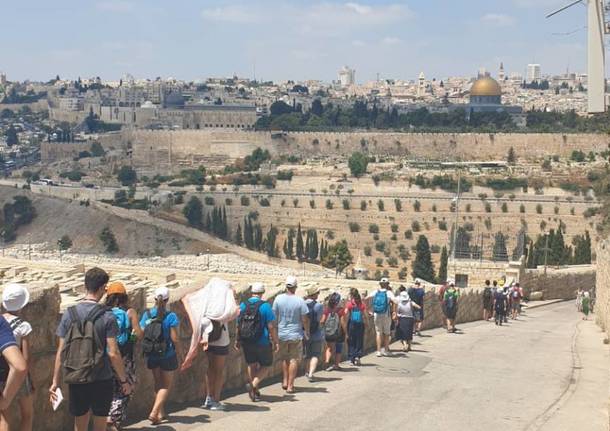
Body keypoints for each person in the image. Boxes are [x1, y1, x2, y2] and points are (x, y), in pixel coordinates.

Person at [50, 267, 131, 431]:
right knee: (100, 423)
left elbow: (61, 351)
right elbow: (113, 352)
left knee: (79, 423)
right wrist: (124, 380)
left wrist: (55, 381)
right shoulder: (107, 316)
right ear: (102, 288)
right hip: (101, 377)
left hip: (76, 375)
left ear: (86, 286)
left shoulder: (69, 314)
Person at [105, 282, 143, 431]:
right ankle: (113, 417)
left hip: (105, 355)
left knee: (110, 387)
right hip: (124, 356)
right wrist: (131, 339)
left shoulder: (104, 311)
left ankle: (110, 418)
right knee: (127, 386)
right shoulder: (129, 312)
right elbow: (138, 333)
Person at [140, 287, 180, 424]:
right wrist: (180, 352)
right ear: (167, 300)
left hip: (152, 354)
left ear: (155, 299)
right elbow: (175, 339)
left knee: (157, 383)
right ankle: (154, 412)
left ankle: (160, 414)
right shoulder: (171, 316)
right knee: (166, 385)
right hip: (167, 354)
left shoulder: (147, 315)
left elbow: (142, 332)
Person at [236, 282, 278, 402]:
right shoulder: (265, 306)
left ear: (251, 292)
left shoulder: (243, 305)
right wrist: (276, 341)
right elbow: (270, 326)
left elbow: (238, 325)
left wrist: (237, 340)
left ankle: (254, 392)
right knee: (266, 365)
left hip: (247, 340)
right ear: (262, 293)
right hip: (262, 341)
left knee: (251, 364)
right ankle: (253, 385)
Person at [1, 284, 32, 431]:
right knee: (27, 414)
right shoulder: (23, 325)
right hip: (18, 376)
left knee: (4, 417)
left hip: (2, 375)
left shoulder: (2, 320)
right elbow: (24, 358)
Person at [272, 276, 309, 394]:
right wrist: (306, 331)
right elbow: (304, 319)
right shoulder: (300, 301)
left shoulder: (278, 299)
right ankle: (290, 385)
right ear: (295, 287)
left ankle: (284, 380)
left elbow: (274, 316)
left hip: (282, 333)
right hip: (295, 334)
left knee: (284, 358)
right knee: (293, 359)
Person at [367, 278, 396, 357]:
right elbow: (395, 301)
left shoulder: (375, 292)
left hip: (376, 314)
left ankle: (378, 351)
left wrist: (368, 310)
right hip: (386, 315)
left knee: (378, 332)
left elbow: (366, 298)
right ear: (387, 285)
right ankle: (386, 350)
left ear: (380, 284)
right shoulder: (389, 293)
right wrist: (394, 312)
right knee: (386, 333)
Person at [321, 292, 347, 371]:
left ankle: (326, 362)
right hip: (338, 333)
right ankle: (336, 365)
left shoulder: (327, 310)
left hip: (329, 333)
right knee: (338, 349)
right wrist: (346, 333)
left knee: (329, 348)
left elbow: (322, 321)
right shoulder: (340, 310)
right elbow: (343, 322)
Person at [303, 287, 323, 382]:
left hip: (305, 333)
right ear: (314, 295)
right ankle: (311, 374)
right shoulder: (319, 306)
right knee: (315, 355)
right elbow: (319, 320)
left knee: (307, 354)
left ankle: (306, 372)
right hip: (316, 333)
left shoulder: (303, 304)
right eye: (317, 293)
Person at [345, 288, 366, 366]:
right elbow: (365, 315)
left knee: (351, 341)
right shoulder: (362, 304)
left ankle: (351, 359)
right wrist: (366, 323)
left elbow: (346, 313)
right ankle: (358, 356)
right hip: (360, 324)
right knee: (359, 341)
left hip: (351, 324)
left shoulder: (350, 304)